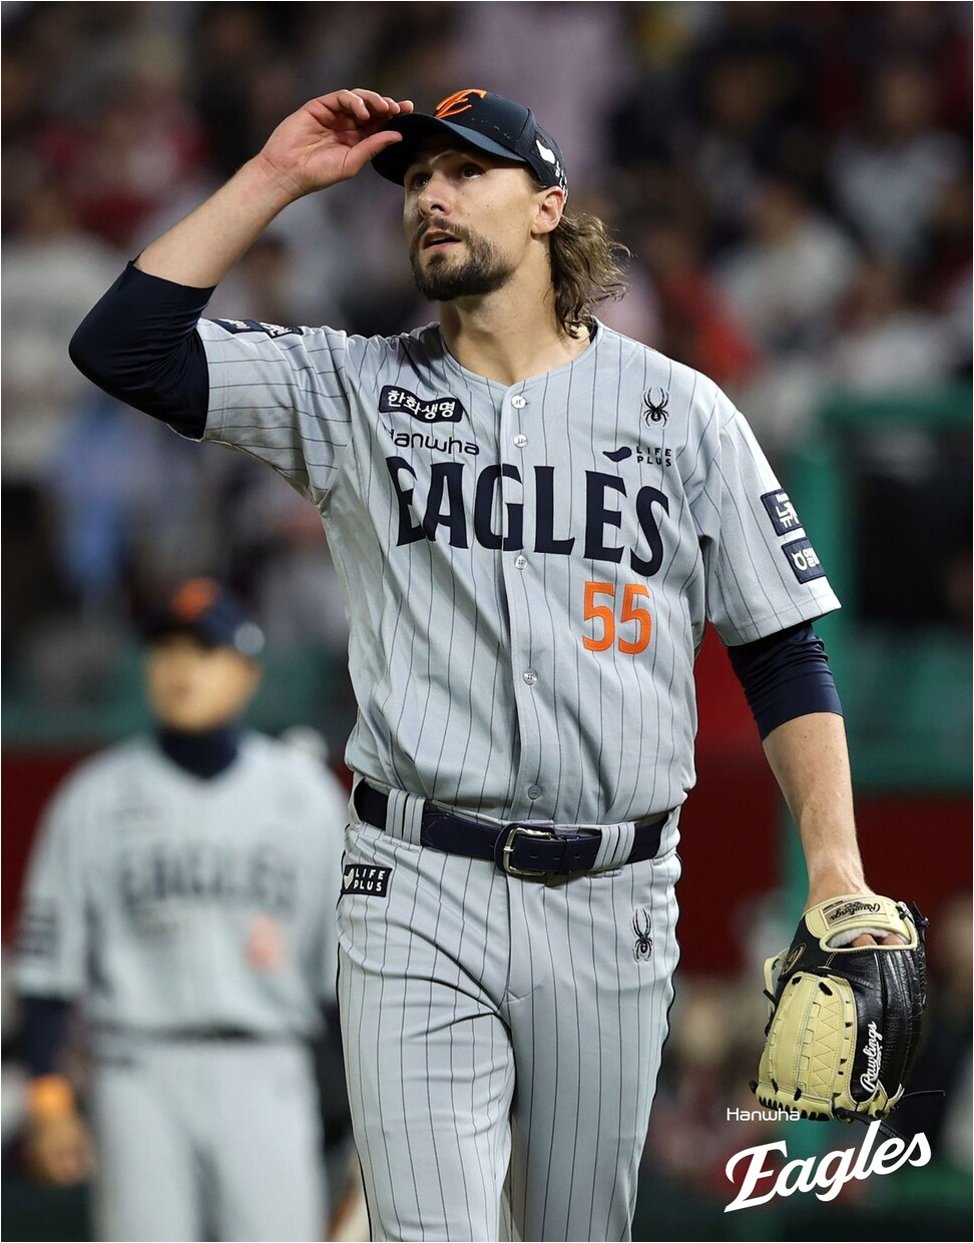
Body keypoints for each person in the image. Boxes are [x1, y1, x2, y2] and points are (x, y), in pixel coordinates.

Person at [68, 88, 906, 1243]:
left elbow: (781, 650)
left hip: (611, 893)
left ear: (547, 206)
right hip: (414, 880)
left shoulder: (679, 413)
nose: (431, 195)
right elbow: (122, 346)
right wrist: (273, 178)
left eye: (466, 171)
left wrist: (833, 866)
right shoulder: (351, 389)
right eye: (416, 178)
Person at [16, 578, 347, 1242]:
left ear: (247, 673)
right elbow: (47, 969)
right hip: (136, 1068)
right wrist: (49, 1101)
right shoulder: (94, 796)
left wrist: (369, 1114)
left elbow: (347, 976)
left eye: (204, 650)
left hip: (270, 1066)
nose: (182, 668)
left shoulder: (306, 796)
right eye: (167, 649)